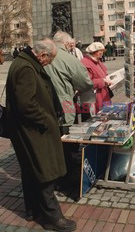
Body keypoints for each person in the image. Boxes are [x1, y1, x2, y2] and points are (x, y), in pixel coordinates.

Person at [6, 38, 76, 232]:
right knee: (45, 171)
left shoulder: (26, 63)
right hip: (33, 131)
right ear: (42, 55)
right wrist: (46, 120)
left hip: (30, 130)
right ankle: (52, 217)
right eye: (50, 59)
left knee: (32, 171)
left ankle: (33, 211)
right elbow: (26, 105)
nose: (50, 63)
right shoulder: (26, 68)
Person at [45, 31, 93, 134]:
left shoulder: (42, 55)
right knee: (66, 141)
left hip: (44, 108)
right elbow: (85, 83)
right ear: (66, 44)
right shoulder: (69, 59)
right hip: (63, 108)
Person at [81, 42, 113, 120]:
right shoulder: (85, 62)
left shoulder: (97, 61)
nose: (102, 53)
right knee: (96, 120)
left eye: (102, 51)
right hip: (94, 98)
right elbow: (87, 82)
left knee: (105, 118)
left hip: (103, 95)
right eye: (100, 51)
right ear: (93, 52)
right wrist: (102, 81)